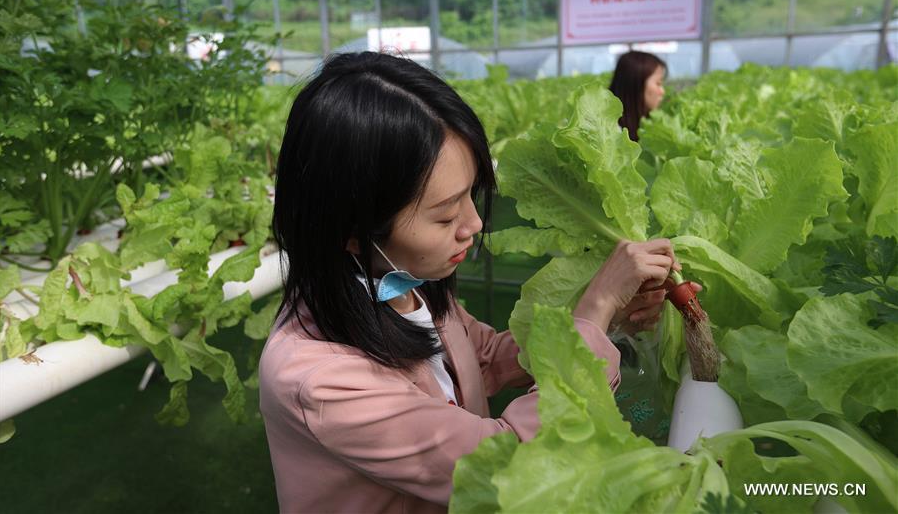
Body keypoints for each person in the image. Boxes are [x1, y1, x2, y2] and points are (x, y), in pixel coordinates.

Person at [260, 51, 679, 513]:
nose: (475, 223)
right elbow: (511, 463)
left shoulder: (400, 284)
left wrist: (609, 320)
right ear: (352, 233)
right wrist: (593, 312)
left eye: (470, 197)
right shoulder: (320, 380)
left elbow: (484, 359)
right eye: (444, 215)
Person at [609, 50, 667, 141]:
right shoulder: (611, 133)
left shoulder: (647, 124)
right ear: (636, 85)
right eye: (658, 83)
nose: (662, 92)